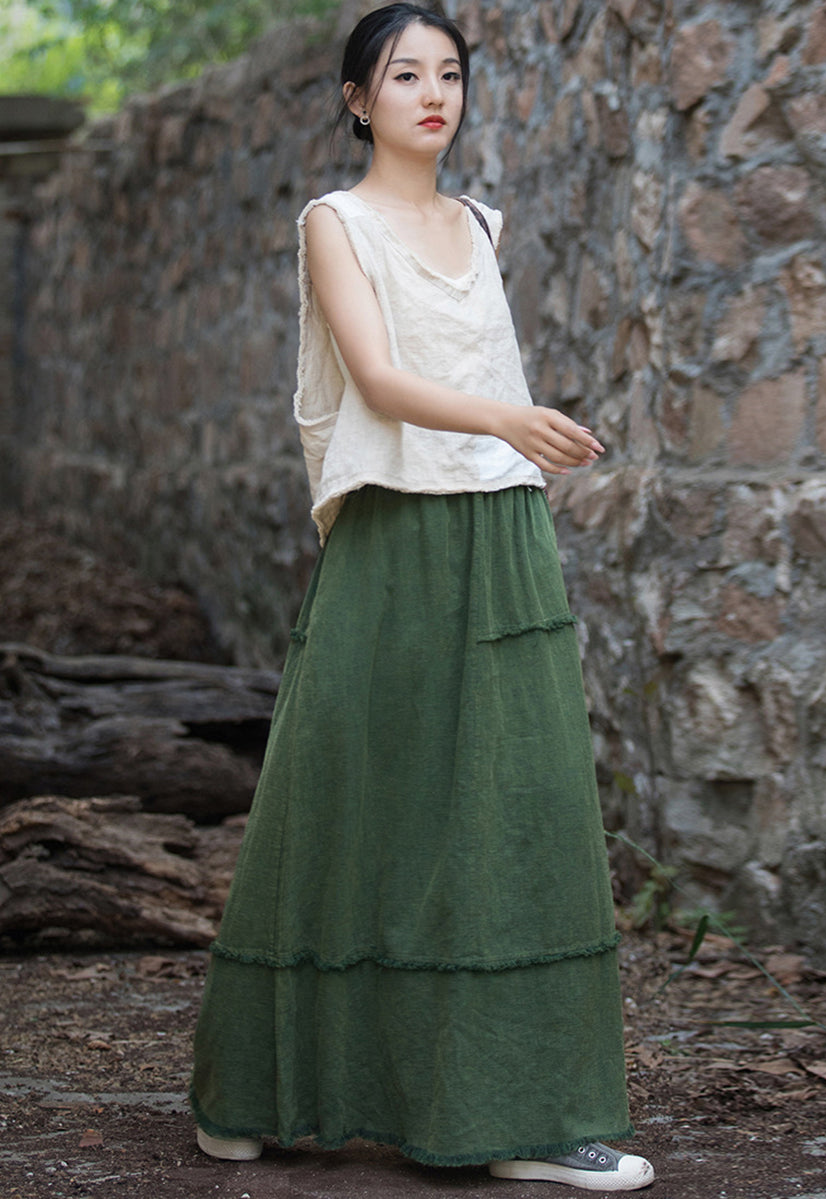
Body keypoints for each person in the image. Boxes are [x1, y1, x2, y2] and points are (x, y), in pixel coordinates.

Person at [190, 3, 655, 1191]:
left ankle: (526, 1112)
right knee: (346, 793)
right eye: (405, 74)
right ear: (359, 97)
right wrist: (511, 415)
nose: (432, 93)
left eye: (449, 72)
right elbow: (384, 383)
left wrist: (508, 440)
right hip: (392, 526)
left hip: (499, 528)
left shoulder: (480, 222)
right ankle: (261, 1086)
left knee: (512, 807)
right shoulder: (332, 222)